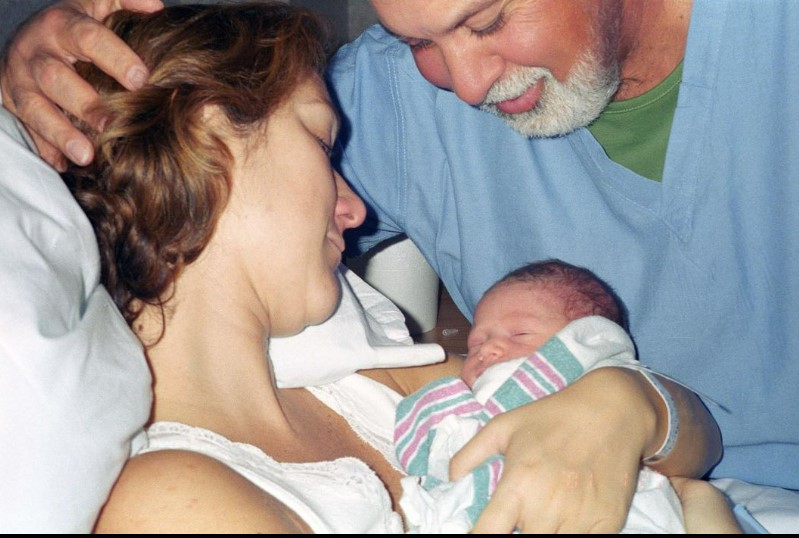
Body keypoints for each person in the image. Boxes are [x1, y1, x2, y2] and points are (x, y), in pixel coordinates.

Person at [0, 0, 752, 533]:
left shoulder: (368, 385)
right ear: (208, 137)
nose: (355, 210)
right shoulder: (171, 505)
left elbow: (695, 435)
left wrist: (630, 404)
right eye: (323, 146)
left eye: (484, 20)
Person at [396, 260, 742, 533]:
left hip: (618, 504)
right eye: (475, 342)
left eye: (520, 333)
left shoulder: (591, 379)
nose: (488, 348)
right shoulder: (464, 400)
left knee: (699, 501)